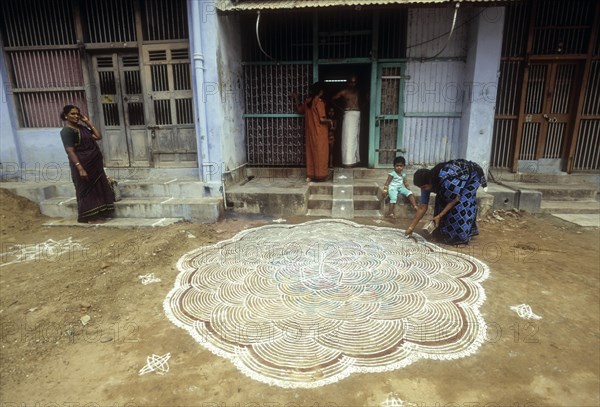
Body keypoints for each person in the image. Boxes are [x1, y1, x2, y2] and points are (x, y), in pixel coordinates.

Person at [405, 159, 488, 245]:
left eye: (424, 187)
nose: (423, 190)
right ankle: (443, 233)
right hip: (454, 181)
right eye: (421, 188)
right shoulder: (426, 183)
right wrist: (411, 228)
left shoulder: (448, 182)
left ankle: (459, 237)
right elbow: (422, 207)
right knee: (442, 200)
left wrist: (440, 215)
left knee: (461, 204)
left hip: (471, 176)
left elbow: (454, 199)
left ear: (430, 182)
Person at [60, 105, 115, 224]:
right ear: (66, 116)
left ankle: (99, 214)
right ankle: (90, 218)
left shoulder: (82, 128)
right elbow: (70, 151)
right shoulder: (66, 131)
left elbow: (98, 136)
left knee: (97, 188)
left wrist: (88, 122)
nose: (76, 116)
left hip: (94, 165)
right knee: (86, 190)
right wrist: (80, 168)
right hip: (83, 165)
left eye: (77, 114)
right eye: (72, 114)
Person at [293, 82, 333, 182]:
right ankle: (321, 175)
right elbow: (322, 119)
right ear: (320, 91)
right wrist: (330, 121)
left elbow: (298, 110)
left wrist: (296, 98)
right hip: (320, 133)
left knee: (311, 153)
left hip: (310, 133)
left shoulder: (307, 101)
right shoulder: (319, 102)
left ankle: (310, 175)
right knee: (321, 153)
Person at [332, 75, 361, 167]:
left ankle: (354, 160)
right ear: (348, 82)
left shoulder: (357, 92)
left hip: (357, 114)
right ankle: (347, 161)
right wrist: (341, 109)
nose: (353, 84)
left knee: (355, 138)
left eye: (354, 82)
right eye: (351, 82)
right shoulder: (344, 92)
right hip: (348, 114)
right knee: (347, 138)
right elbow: (332, 99)